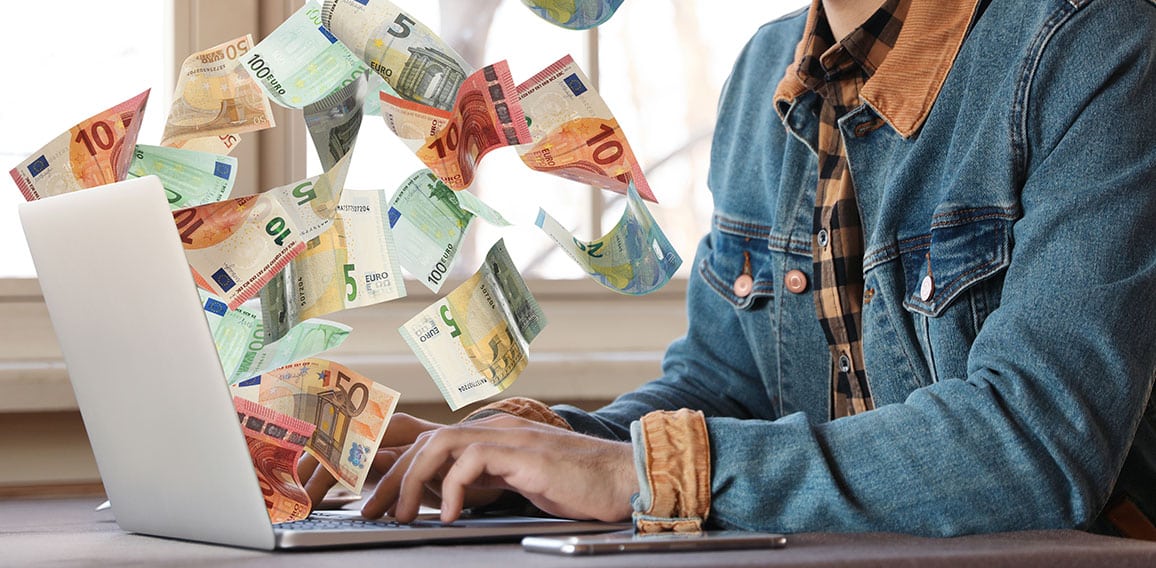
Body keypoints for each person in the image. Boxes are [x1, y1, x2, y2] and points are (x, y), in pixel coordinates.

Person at [301, 0, 1156, 537]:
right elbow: (727, 383)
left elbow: (1041, 443)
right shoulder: (764, 68)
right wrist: (538, 446)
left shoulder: (1097, 45)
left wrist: (639, 472)